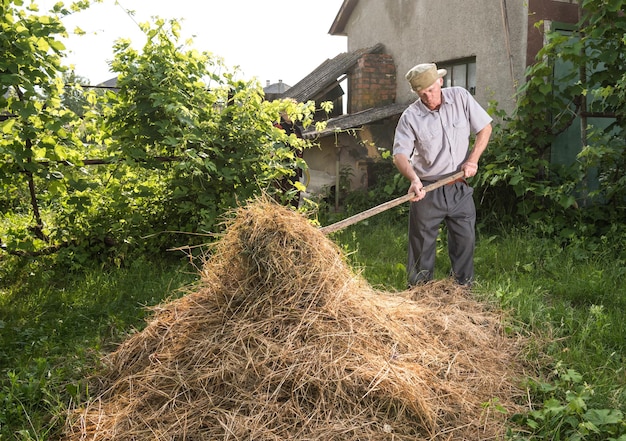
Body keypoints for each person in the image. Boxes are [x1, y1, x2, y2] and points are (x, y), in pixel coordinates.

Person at [392, 63, 492, 287]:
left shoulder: (460, 97)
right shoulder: (411, 117)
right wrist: (413, 179)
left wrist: (473, 159)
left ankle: (463, 290)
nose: (428, 97)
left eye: (431, 90)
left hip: (459, 186)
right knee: (422, 246)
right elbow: (399, 154)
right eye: (422, 93)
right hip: (427, 190)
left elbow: (485, 128)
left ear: (440, 81)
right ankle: (420, 293)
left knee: (464, 241)